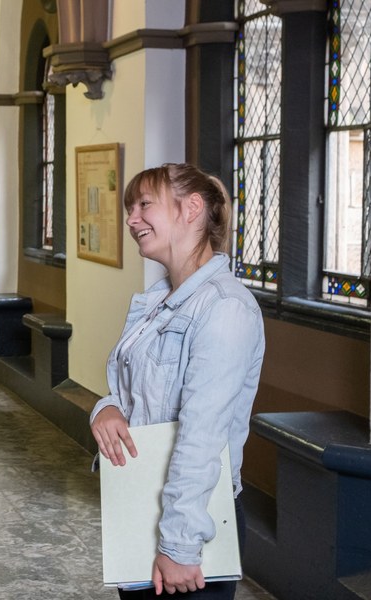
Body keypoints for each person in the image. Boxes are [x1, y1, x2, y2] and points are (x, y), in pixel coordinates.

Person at [89, 163, 265, 599]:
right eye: (130, 208)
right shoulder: (158, 301)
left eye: (144, 205)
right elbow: (134, 392)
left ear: (191, 209)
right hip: (144, 506)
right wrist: (105, 408)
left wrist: (180, 545)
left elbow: (202, 436)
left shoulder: (225, 308)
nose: (131, 219)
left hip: (191, 521)